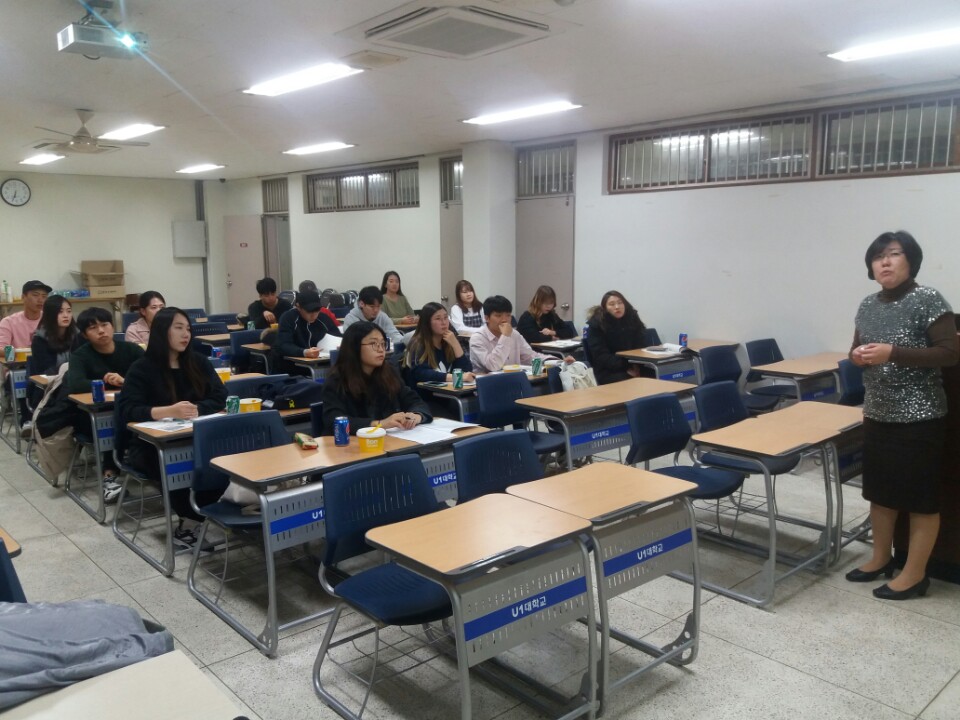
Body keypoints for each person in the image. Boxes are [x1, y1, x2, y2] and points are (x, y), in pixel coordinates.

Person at [844, 231, 958, 601]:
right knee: (880, 494)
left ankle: (914, 575)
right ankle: (880, 558)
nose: (885, 262)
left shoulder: (927, 298)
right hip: (878, 413)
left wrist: (893, 352)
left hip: (920, 417)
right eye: (878, 257)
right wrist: (856, 356)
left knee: (920, 499)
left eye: (894, 254)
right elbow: (855, 349)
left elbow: (949, 353)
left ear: (911, 260)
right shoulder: (868, 304)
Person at [120, 308, 228, 548]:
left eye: (188, 329)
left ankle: (203, 513)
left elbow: (220, 395)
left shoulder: (197, 362)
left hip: (196, 437)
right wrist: (169, 411)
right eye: (178, 328)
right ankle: (188, 523)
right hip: (151, 445)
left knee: (221, 460)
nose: (185, 334)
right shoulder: (142, 368)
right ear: (162, 331)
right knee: (179, 463)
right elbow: (128, 410)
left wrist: (197, 409)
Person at [66, 307, 145, 502]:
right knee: (110, 423)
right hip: (89, 414)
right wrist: (106, 381)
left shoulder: (132, 350)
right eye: (93, 328)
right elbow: (75, 384)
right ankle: (109, 478)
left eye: (104, 325)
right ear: (85, 335)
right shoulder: (80, 356)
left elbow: (149, 378)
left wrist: (124, 381)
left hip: (129, 408)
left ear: (112, 326)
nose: (101, 331)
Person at [321, 321, 432, 434]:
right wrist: (379, 424)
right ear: (354, 347)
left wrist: (416, 415)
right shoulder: (337, 380)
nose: (381, 349)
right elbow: (333, 420)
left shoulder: (389, 373)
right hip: (356, 442)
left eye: (383, 344)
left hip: (391, 439)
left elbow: (414, 400)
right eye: (374, 344)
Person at [469, 295, 571, 373]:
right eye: (498, 316)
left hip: (514, 381)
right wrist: (505, 336)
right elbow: (493, 366)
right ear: (487, 318)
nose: (504, 320)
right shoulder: (477, 338)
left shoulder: (514, 334)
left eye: (508, 315)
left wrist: (559, 362)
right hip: (488, 386)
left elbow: (530, 356)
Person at [585, 290, 648, 385]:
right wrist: (626, 367)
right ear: (605, 308)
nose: (617, 307)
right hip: (608, 370)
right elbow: (601, 356)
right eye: (612, 304)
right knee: (628, 380)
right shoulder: (597, 324)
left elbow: (641, 345)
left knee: (653, 374)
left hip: (634, 364)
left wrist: (636, 366)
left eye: (620, 303)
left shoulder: (632, 318)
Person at [403, 302, 475, 386]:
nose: (444, 322)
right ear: (427, 323)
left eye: (445, 317)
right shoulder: (417, 344)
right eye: (438, 319)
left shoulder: (448, 342)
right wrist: (456, 377)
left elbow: (466, 371)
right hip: (425, 392)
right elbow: (421, 373)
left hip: (447, 391)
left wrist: (456, 345)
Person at [29, 295, 81, 407]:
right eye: (60, 312)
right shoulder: (39, 340)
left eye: (69, 311)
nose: (66, 315)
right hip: (49, 389)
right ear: (50, 315)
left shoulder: (77, 335)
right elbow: (46, 371)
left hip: (74, 383)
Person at [273, 290, 340, 375]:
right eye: (309, 311)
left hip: (323, 364)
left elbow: (337, 337)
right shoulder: (288, 318)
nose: (314, 315)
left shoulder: (324, 319)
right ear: (298, 307)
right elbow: (283, 345)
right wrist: (304, 352)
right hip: (293, 367)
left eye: (317, 310)